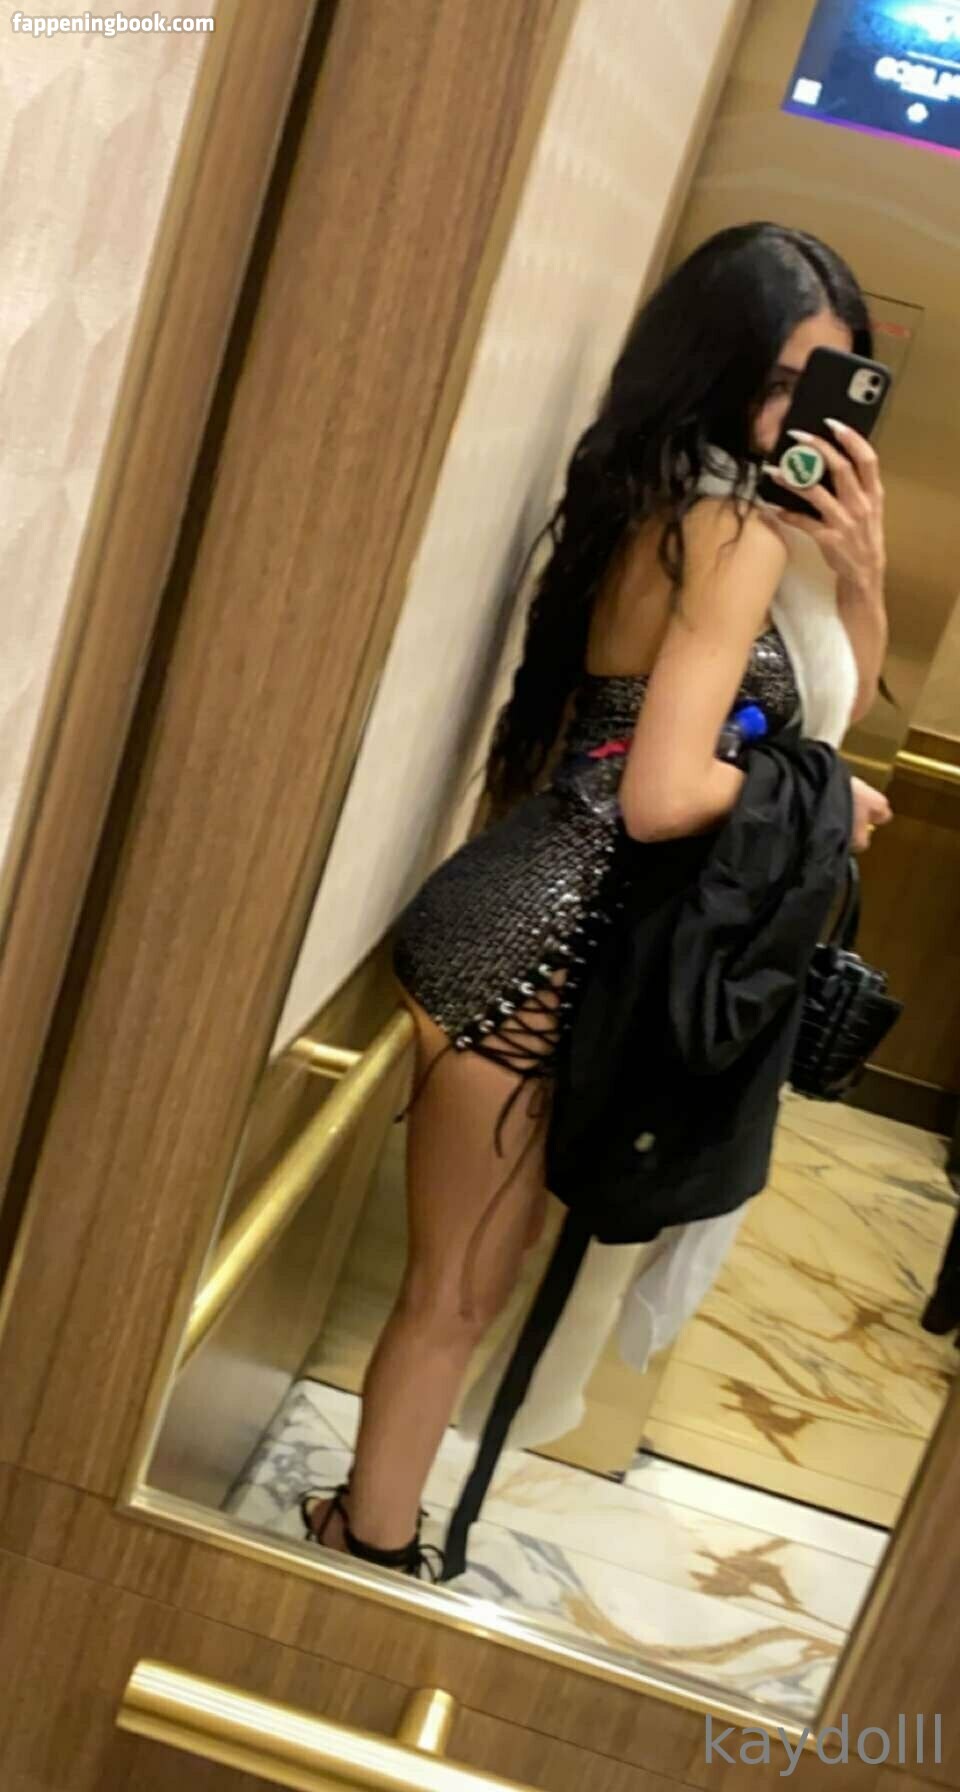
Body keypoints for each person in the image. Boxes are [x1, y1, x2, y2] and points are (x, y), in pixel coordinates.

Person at [301, 221, 893, 1577]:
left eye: (828, 385)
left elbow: (816, 715)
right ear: (717, 365)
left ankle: (365, 1533)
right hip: (542, 949)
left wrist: (862, 574)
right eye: (782, 380)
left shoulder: (678, 505)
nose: (799, 417)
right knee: (458, 1294)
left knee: (466, 1288)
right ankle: (368, 1556)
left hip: (544, 929)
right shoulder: (727, 532)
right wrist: (816, 805)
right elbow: (662, 792)